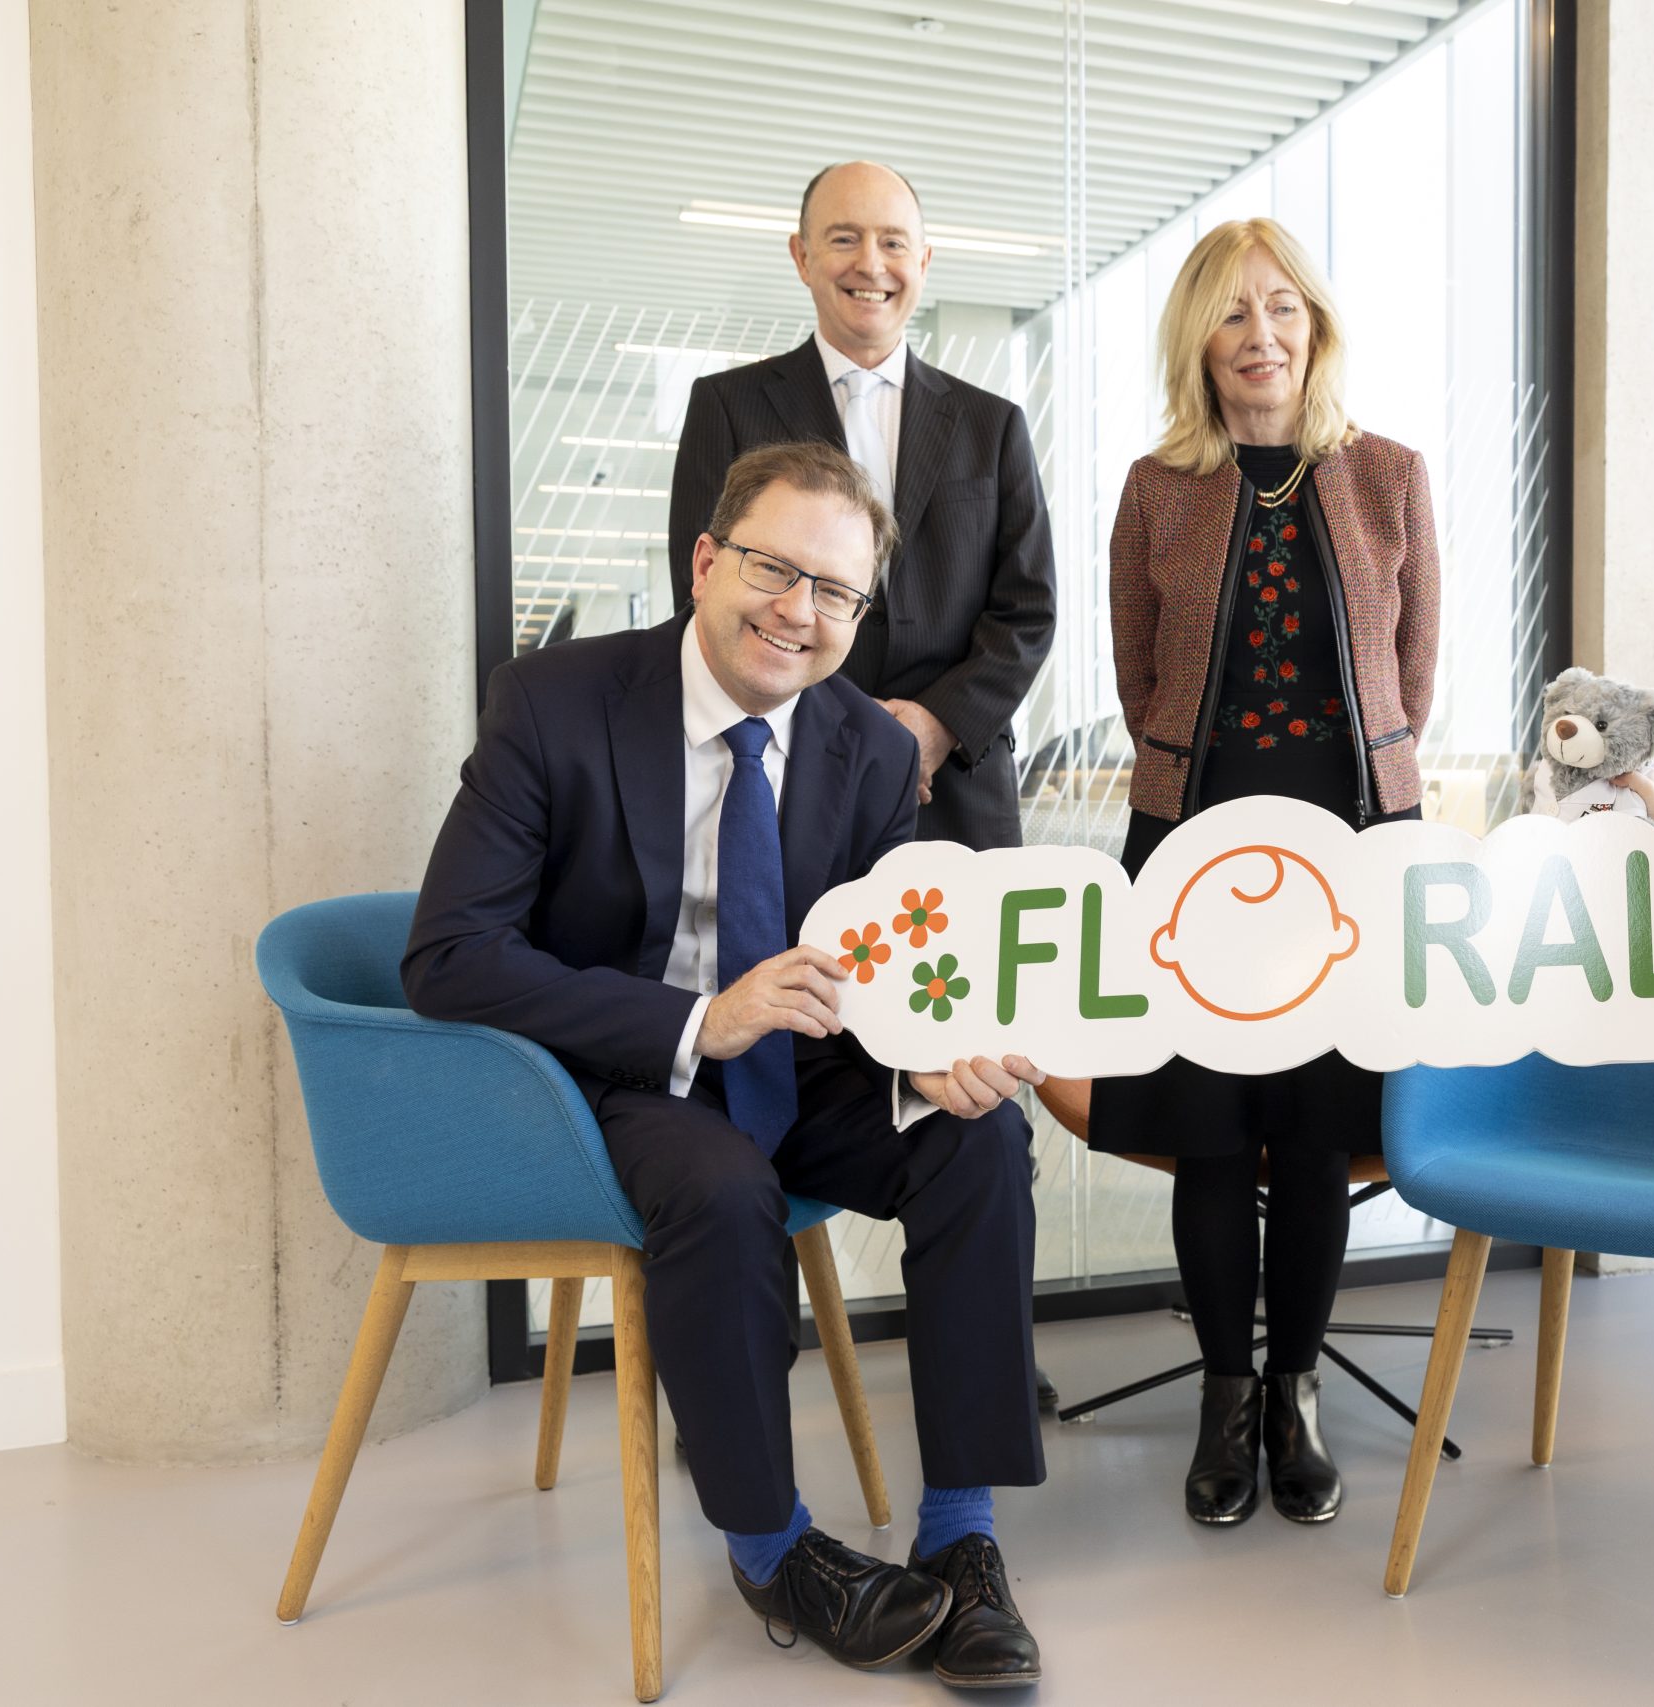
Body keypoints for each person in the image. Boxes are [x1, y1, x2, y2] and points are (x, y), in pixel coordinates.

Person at [405, 441, 1049, 1690]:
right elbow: (448, 955)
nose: (798, 614)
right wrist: (699, 1022)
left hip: (806, 1073)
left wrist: (937, 1050)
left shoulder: (867, 747)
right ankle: (772, 1546)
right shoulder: (553, 702)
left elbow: (882, 964)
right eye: (773, 569)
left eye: (837, 594)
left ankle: (962, 1534)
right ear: (705, 561)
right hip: (623, 1075)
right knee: (716, 1185)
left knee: (978, 1135)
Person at [1094, 218, 1440, 1527]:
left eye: (1284, 310)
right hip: (1196, 846)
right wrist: (1204, 784)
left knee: (1313, 1134)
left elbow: (1414, 667)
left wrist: (1374, 792)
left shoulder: (1389, 476)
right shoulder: (1156, 487)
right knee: (1208, 1133)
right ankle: (1223, 1393)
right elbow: (1139, 678)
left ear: (1318, 328)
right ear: (1199, 339)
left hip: (1354, 852)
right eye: (1233, 314)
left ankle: (1293, 1390)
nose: (1262, 337)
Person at [667, 160, 1057, 854]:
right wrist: (842, 729)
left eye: (894, 242)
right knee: (805, 964)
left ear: (924, 260)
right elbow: (706, 597)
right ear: (802, 255)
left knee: (958, 964)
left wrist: (935, 726)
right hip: (789, 771)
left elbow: (1028, 611)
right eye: (844, 238)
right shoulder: (728, 407)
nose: (870, 263)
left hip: (957, 786)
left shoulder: (992, 425)